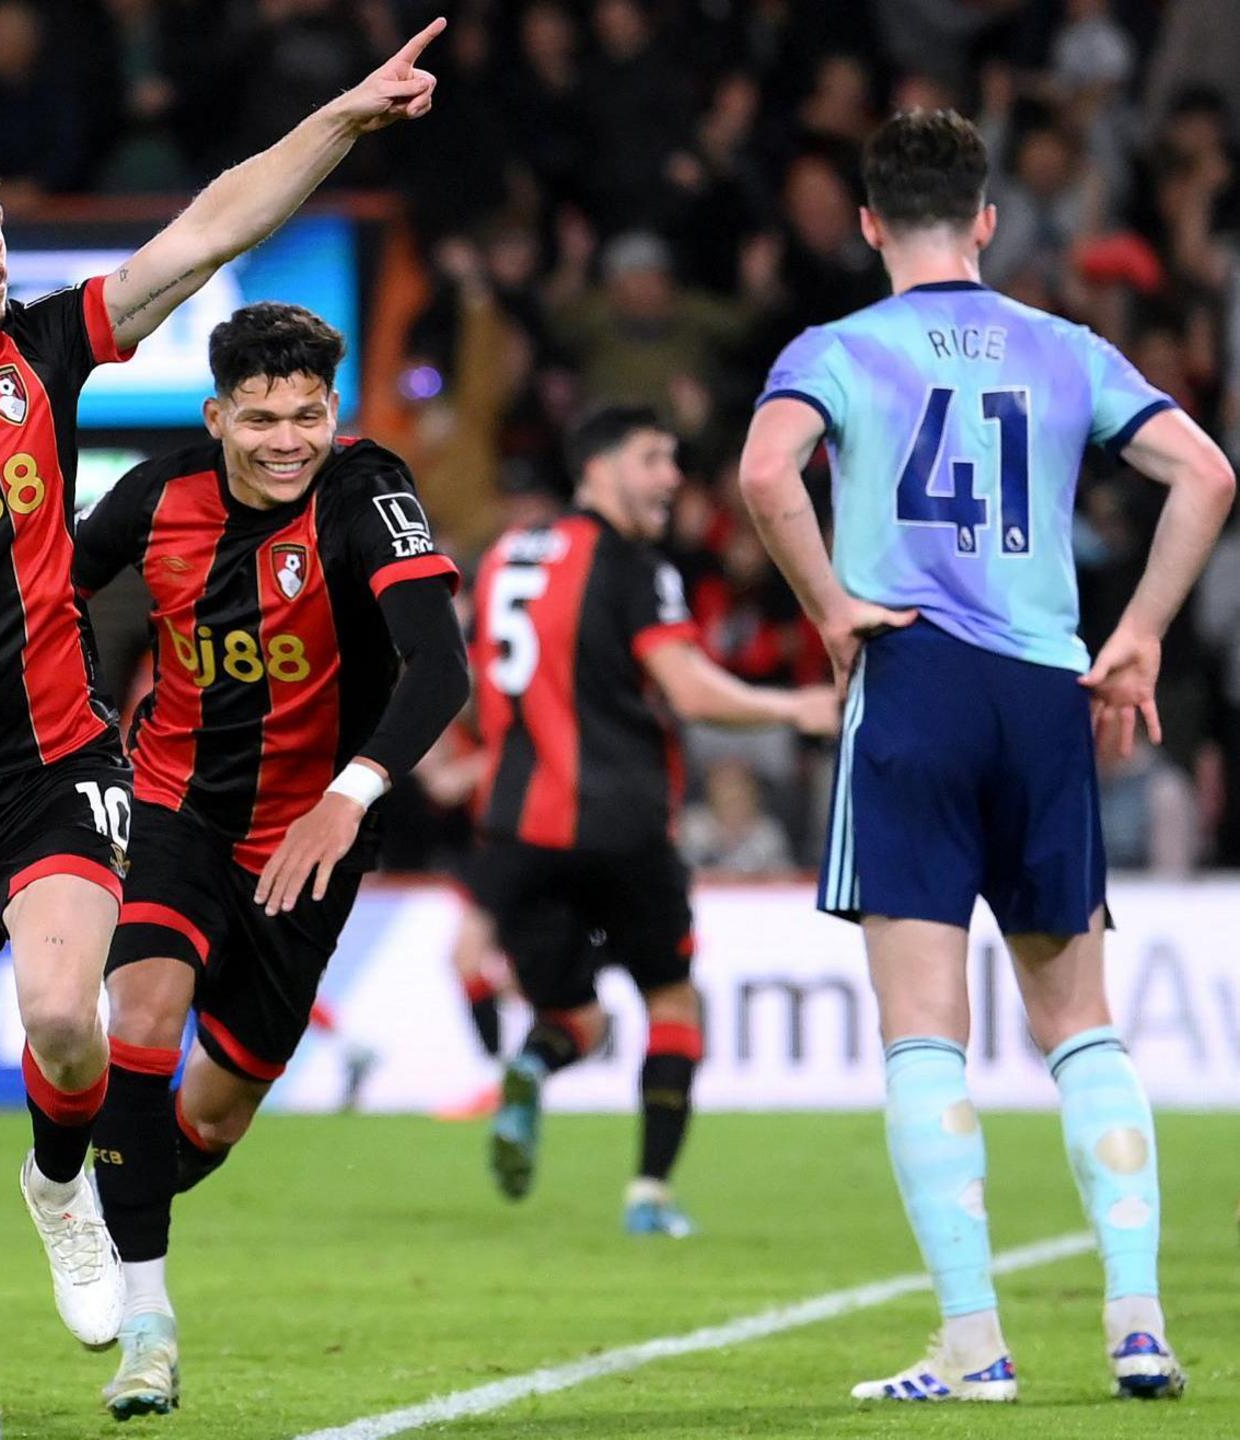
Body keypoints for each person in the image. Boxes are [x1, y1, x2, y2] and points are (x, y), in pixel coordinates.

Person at [0, 22, 445, 1437]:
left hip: (59, 763)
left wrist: (342, 120)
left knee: (65, 1019)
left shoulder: (46, 353)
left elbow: (209, 222)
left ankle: (61, 1185)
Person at [739, 108, 1233, 1404]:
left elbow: (765, 470)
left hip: (915, 685)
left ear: (866, 223)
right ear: (988, 221)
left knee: (923, 1037)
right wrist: (1133, 642)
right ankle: (1137, 1325)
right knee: (1081, 1027)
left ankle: (975, 1345)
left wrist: (831, 606)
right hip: (1041, 688)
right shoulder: (1064, 345)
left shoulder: (837, 348)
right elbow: (1208, 474)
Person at [70, 302, 470, 1418]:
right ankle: (145, 1328)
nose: (286, 438)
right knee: (139, 1020)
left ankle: (102, 1190)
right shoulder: (155, 495)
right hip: (173, 807)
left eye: (307, 413)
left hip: (312, 836)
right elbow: (49, 591)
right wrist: (72, 736)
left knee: (213, 1113)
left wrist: (348, 797)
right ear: (216, 416)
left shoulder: (366, 492)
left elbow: (438, 667)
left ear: (332, 411)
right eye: (259, 418)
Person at [468, 405, 836, 1239]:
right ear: (597, 470)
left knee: (578, 1019)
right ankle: (649, 1197)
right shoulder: (633, 565)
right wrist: (799, 705)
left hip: (517, 830)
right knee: (671, 1001)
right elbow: (692, 690)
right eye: (653, 459)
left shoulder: (502, 557)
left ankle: (530, 1065)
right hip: (621, 821)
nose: (672, 477)